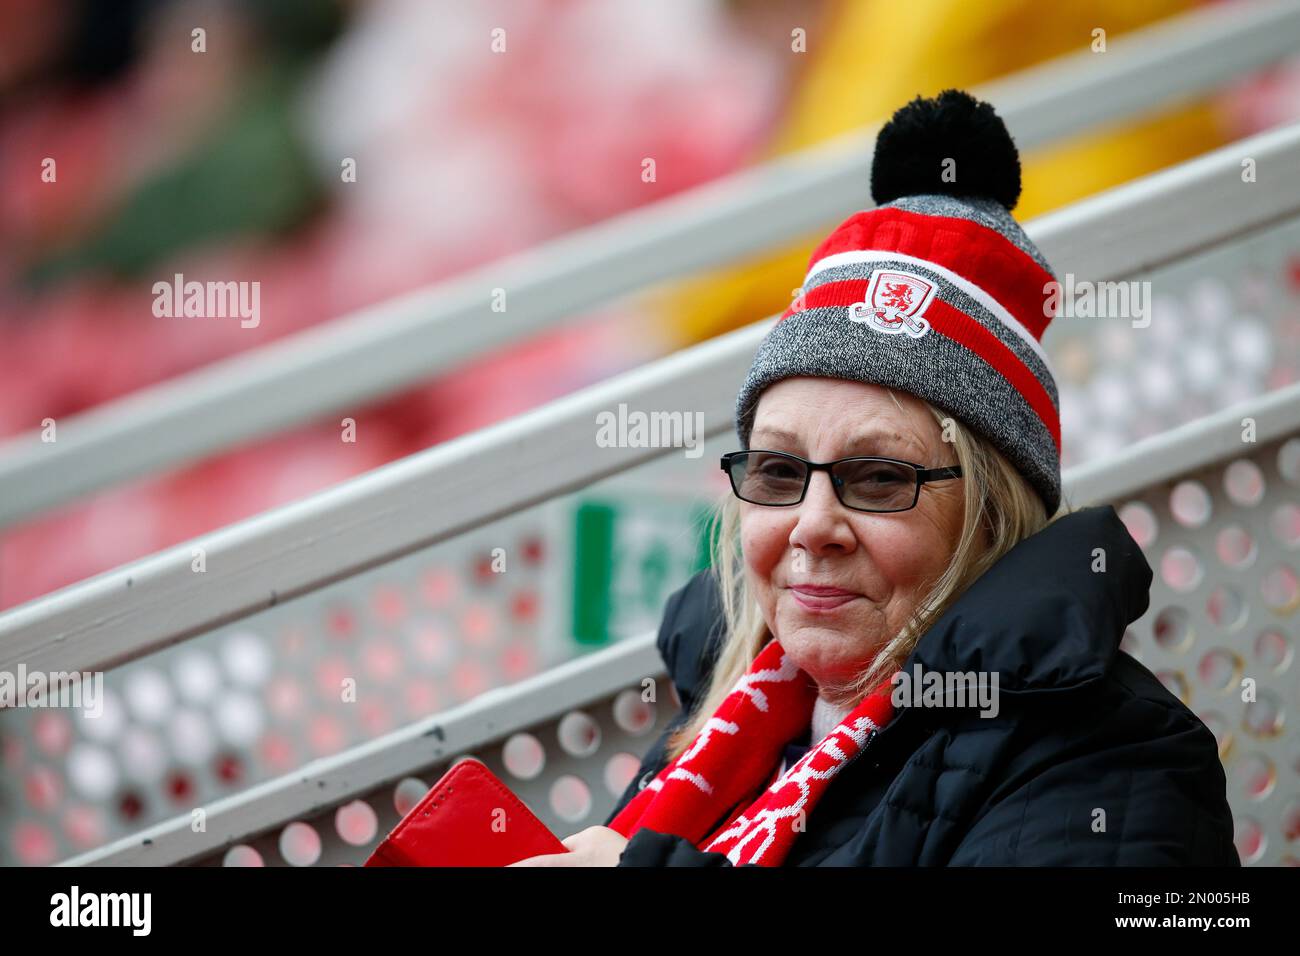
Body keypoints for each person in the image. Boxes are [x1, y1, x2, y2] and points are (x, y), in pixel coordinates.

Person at [510, 89, 1238, 867]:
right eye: (780, 470)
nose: (812, 524)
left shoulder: (1114, 762)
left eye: (881, 478)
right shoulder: (726, 722)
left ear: (992, 520)